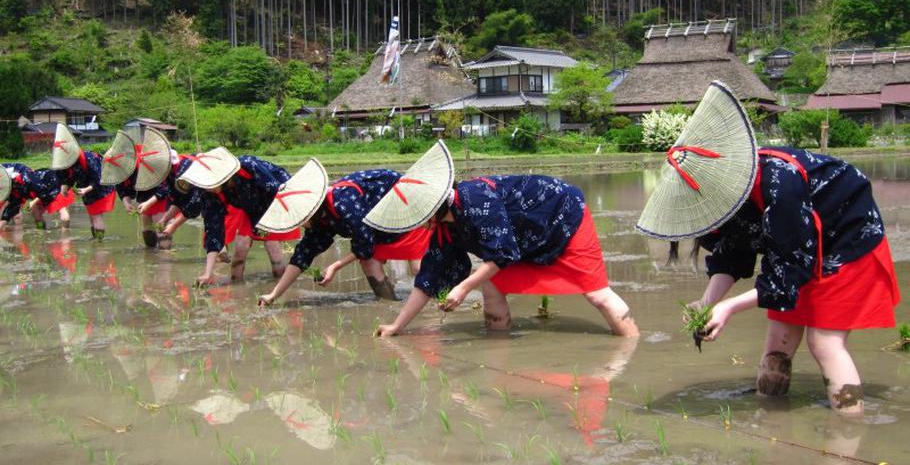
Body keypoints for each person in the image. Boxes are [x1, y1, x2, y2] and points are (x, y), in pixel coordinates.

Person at [636, 81, 900, 415]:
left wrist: (729, 308)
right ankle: (771, 416)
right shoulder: (730, 197)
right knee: (778, 342)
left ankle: (848, 431)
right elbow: (733, 254)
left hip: (847, 237)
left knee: (825, 343)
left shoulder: (781, 184)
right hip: (797, 248)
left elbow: (791, 269)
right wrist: (707, 302)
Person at [366, 141, 639, 338]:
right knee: (492, 287)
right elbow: (426, 281)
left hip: (563, 217)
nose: (417, 226)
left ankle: (631, 346)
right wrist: (397, 327)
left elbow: (502, 254)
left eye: (418, 218)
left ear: (433, 210)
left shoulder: (475, 200)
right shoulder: (444, 230)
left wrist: (462, 288)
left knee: (597, 294)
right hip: (525, 238)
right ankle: (498, 346)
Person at [257, 160, 431, 305]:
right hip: (380, 221)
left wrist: (335, 266)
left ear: (312, 209)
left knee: (418, 268)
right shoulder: (320, 221)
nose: (301, 224)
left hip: (404, 203)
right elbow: (301, 257)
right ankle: (390, 304)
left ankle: (439, 301)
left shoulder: (343, 203)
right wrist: (273, 295)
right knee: (369, 262)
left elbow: (365, 243)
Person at [178, 147, 300, 285]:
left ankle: (282, 287)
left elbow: (278, 191)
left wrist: (274, 226)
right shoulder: (210, 193)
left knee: (273, 250)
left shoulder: (249, 166)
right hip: (248, 209)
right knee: (240, 251)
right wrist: (208, 272)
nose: (206, 187)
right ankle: (237, 286)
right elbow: (213, 230)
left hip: (276, 201)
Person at [103, 129, 169, 247]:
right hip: (143, 195)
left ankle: (165, 258)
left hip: (158, 196)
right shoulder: (121, 170)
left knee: (160, 227)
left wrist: (149, 203)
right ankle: (151, 255)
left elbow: (164, 188)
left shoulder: (147, 162)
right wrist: (126, 202)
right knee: (147, 230)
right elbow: (122, 187)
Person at [50, 123, 115, 240]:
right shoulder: (62, 163)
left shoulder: (90, 159)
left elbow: (99, 179)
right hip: (85, 189)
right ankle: (95, 238)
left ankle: (100, 243)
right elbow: (65, 178)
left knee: (96, 215)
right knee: (92, 215)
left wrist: (86, 189)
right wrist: (65, 187)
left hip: (100, 187)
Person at [1, 163, 73, 230]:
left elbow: (44, 190)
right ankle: (41, 232)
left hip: (54, 185)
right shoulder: (14, 189)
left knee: (61, 210)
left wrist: (34, 202)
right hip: (39, 193)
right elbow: (10, 210)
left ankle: (65, 234)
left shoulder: (25, 178)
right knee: (36, 215)